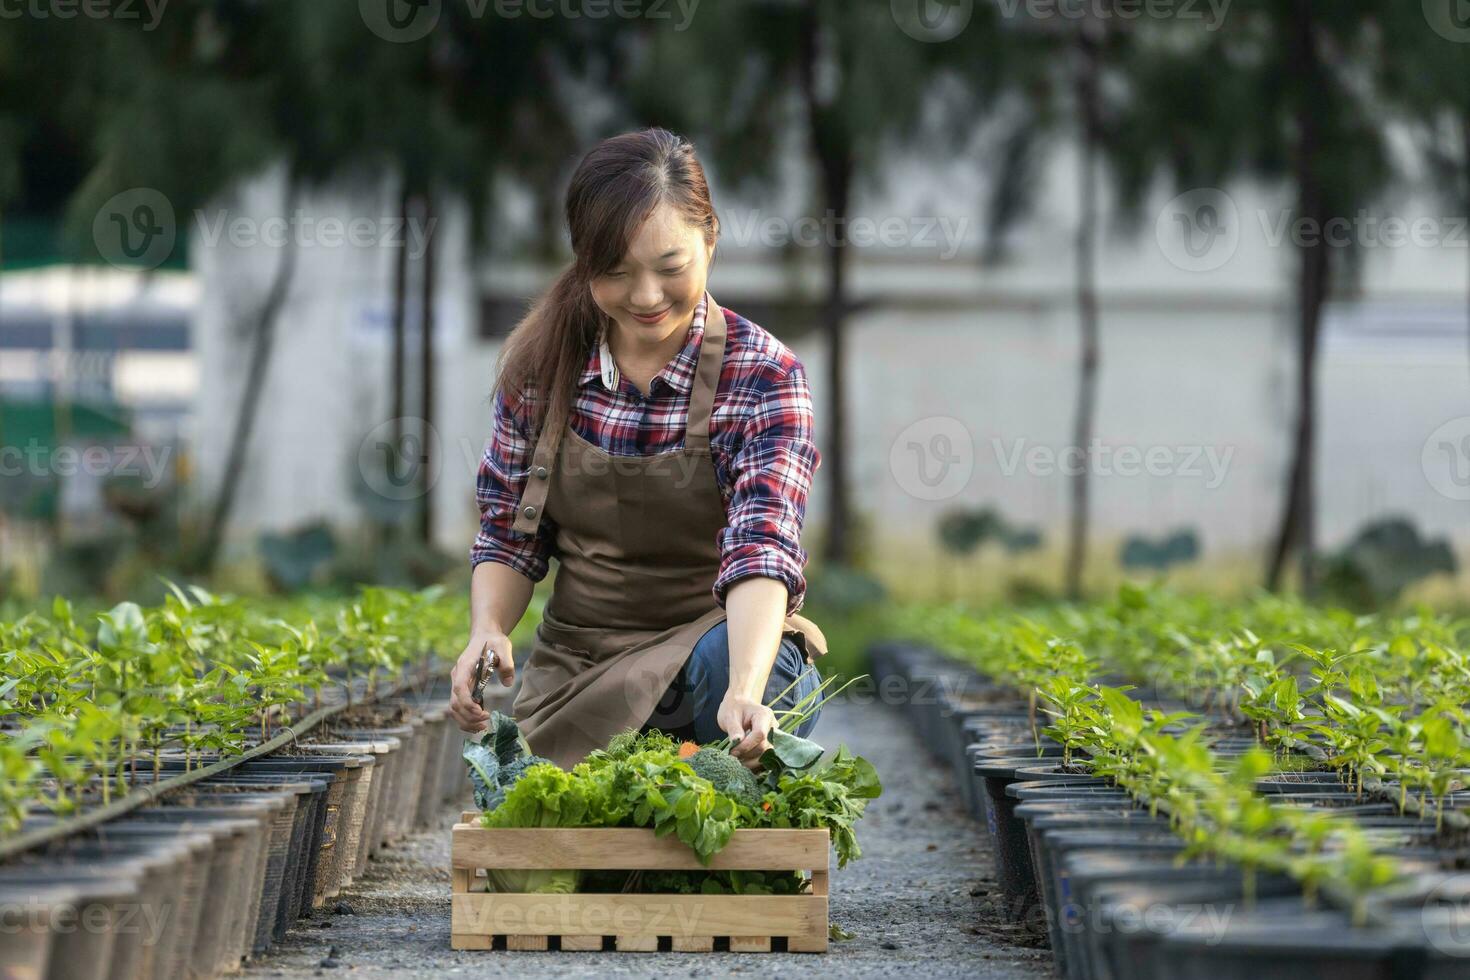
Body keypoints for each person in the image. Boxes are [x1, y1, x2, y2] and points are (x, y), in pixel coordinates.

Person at [447, 127, 827, 771]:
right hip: (582, 664)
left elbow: (764, 542)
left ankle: (726, 747)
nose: (647, 297)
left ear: (711, 239)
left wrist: (742, 689)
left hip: (714, 652)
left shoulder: (764, 374)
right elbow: (511, 534)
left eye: (670, 268)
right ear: (583, 262)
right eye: (616, 273)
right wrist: (487, 630)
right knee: (526, 804)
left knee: (762, 683)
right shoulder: (541, 373)